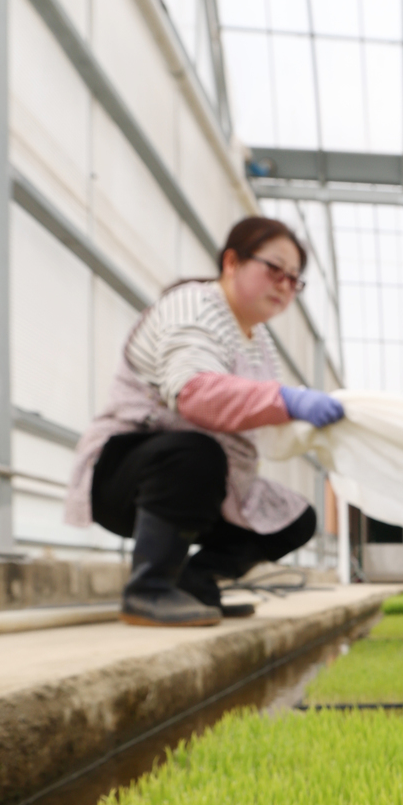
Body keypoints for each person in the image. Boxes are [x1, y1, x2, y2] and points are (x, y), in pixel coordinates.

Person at [65, 217, 344, 626]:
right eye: (274, 268)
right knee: (196, 453)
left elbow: (257, 415)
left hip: (207, 484)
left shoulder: (258, 338)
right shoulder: (193, 305)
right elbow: (194, 394)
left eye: (294, 279)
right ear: (231, 262)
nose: (284, 284)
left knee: (296, 518)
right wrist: (286, 399)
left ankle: (196, 583)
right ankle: (150, 587)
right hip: (131, 474)